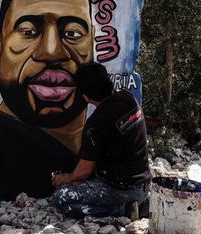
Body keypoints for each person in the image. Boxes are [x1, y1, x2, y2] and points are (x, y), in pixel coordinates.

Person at [0, 0, 94, 200]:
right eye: (28, 32)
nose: (52, 52)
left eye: (73, 33)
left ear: (92, 48)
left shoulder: (100, 133)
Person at [51, 62, 151, 217]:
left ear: (85, 96)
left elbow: (84, 171)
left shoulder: (96, 124)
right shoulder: (128, 98)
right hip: (143, 184)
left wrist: (65, 178)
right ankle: (138, 203)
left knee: (62, 197)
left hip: (122, 190)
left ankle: (123, 210)